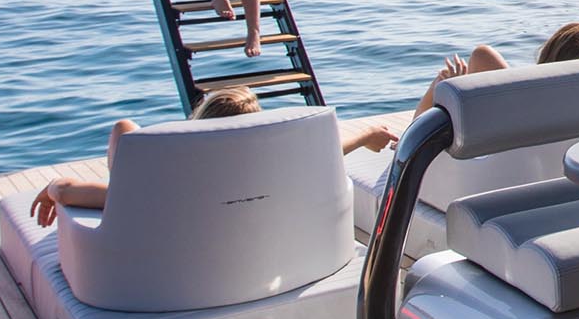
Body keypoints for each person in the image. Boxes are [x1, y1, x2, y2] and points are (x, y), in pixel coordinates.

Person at [28, 87, 390, 225]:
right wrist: (366, 136)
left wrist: (52, 187)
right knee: (127, 131)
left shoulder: (155, 192)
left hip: (164, 239)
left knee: (125, 130)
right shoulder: (270, 172)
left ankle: (133, 158)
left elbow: (68, 193)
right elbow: (318, 153)